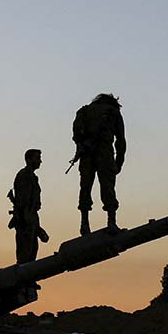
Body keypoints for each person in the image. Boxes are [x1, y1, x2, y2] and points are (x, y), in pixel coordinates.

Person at [71, 93, 126, 235]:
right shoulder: (113, 112)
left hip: (87, 155)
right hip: (105, 153)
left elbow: (76, 134)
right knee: (108, 188)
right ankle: (111, 222)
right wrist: (119, 162)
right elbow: (121, 140)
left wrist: (82, 146)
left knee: (85, 187)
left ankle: (84, 224)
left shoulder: (84, 111)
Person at [8, 148, 48, 264]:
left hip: (31, 218)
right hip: (25, 219)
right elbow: (23, 202)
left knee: (32, 252)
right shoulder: (24, 176)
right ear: (29, 160)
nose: (40, 161)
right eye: (37, 158)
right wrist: (27, 220)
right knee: (25, 254)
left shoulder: (32, 177)